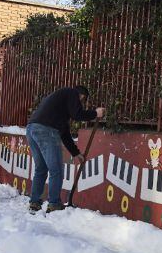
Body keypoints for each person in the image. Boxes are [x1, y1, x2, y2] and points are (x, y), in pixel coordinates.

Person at [26, 85, 104, 213]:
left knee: (41, 169)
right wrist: (95, 113)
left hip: (31, 129)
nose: (80, 104)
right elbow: (77, 114)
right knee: (56, 170)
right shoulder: (72, 93)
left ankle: (34, 202)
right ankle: (54, 203)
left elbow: (64, 132)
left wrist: (75, 153)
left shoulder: (59, 107)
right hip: (46, 131)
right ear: (81, 96)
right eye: (82, 101)